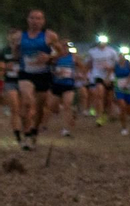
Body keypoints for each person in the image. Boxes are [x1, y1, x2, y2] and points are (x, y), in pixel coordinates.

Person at [10, 10, 66, 149]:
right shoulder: (19, 36)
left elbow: (61, 52)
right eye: (32, 18)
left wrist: (49, 58)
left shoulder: (49, 36)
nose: (35, 21)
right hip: (26, 73)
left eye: (39, 18)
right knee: (28, 102)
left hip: (42, 74)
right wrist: (15, 49)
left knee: (40, 108)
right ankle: (27, 133)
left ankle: (34, 130)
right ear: (28, 20)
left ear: (43, 21)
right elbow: (16, 56)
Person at [84, 35, 119, 125]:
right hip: (97, 75)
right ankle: (99, 116)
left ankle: (106, 113)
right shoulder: (92, 52)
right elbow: (89, 63)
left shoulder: (112, 52)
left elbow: (116, 65)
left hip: (109, 76)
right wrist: (86, 74)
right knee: (99, 94)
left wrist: (110, 69)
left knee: (109, 98)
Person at [48, 43, 79, 136]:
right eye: (63, 46)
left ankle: (66, 129)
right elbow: (49, 68)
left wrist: (79, 74)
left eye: (67, 47)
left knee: (67, 105)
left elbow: (81, 67)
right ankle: (70, 110)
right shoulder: (55, 57)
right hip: (57, 84)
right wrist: (56, 72)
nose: (65, 48)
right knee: (52, 107)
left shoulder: (73, 57)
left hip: (69, 84)